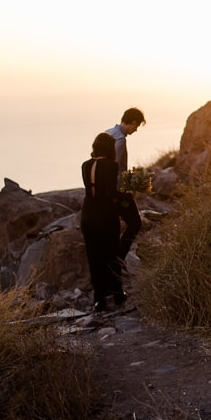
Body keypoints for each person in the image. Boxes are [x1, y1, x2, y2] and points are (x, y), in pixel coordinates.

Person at [80, 132, 126, 311]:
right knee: (112, 255)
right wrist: (127, 195)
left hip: (88, 216)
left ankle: (99, 299)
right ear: (109, 148)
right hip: (105, 216)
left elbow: (90, 191)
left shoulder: (85, 165)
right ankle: (117, 294)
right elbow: (110, 193)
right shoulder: (111, 165)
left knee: (94, 257)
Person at [106, 107, 146, 264]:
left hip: (105, 189)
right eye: (136, 127)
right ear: (133, 122)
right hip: (117, 190)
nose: (135, 131)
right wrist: (129, 188)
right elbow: (116, 169)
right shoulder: (120, 141)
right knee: (135, 223)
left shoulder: (107, 133)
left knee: (114, 227)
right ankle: (119, 259)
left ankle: (114, 259)